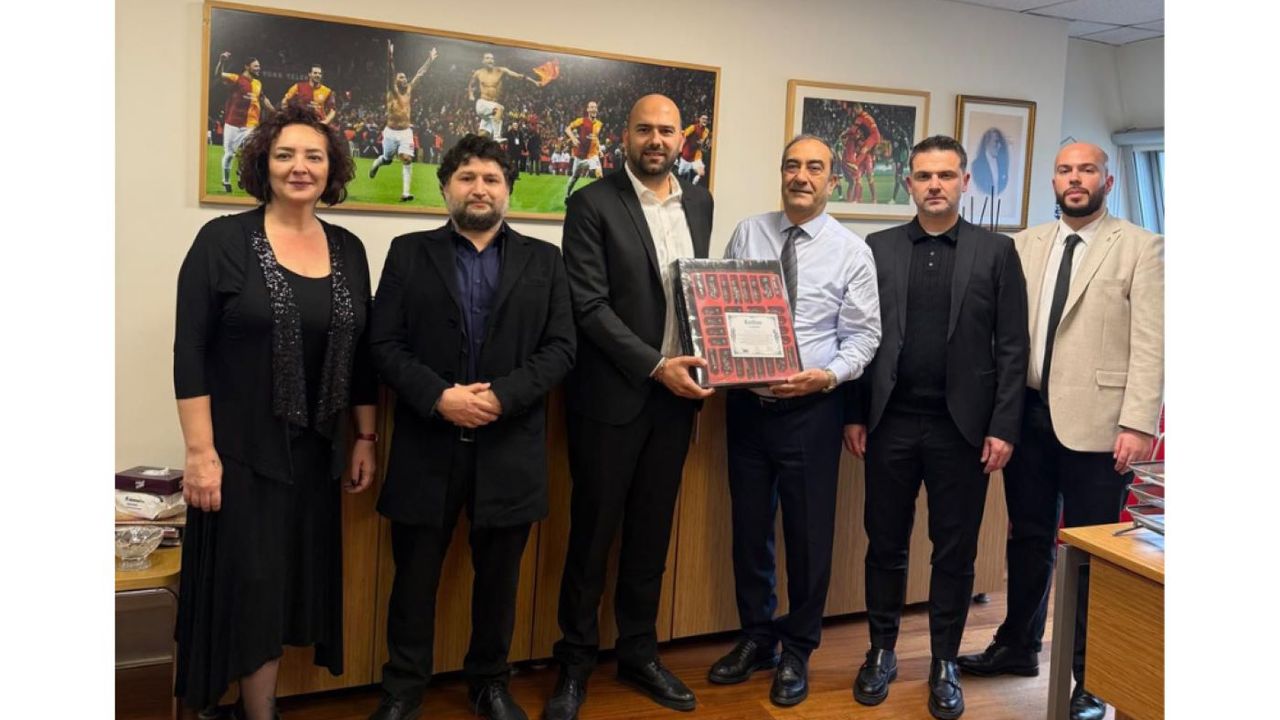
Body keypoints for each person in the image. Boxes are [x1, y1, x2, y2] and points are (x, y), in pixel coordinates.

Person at [173, 102, 377, 720]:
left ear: (331, 168)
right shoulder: (222, 241)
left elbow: (363, 352)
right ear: (263, 163)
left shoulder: (349, 248)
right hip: (240, 456)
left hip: (316, 455)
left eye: (314, 156)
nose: (300, 167)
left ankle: (257, 708)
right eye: (285, 155)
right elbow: (190, 350)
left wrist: (364, 436)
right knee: (252, 591)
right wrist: (199, 453)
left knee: (285, 587)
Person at [365, 134, 575, 720]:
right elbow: (383, 344)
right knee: (413, 581)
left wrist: (502, 398)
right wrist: (440, 397)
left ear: (509, 190)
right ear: (445, 188)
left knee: (499, 583)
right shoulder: (408, 253)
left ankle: (489, 684)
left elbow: (561, 348)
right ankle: (403, 689)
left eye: (490, 179)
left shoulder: (545, 261)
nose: (478, 189)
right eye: (466, 178)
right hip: (427, 446)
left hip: (510, 448)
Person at [957, 142, 1163, 720]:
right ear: (1054, 180)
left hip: (1101, 426)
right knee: (1027, 537)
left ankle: (1092, 677)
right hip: (1027, 415)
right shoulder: (1024, 244)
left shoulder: (1142, 247)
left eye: (1087, 170)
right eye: (1065, 170)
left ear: (1108, 181)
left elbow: (1153, 343)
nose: (1075, 179)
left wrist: (1138, 423)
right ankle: (1018, 646)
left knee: (1091, 550)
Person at [844, 135, 1028, 720]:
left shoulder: (996, 252)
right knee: (885, 544)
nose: (934, 185)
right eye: (924, 176)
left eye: (946, 175)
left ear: (964, 182)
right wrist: (854, 413)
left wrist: (1003, 426)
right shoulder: (878, 248)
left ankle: (945, 659)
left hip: (962, 430)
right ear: (909, 183)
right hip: (891, 422)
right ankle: (881, 650)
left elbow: (1012, 347)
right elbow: (859, 336)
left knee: (954, 550)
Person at [544, 94, 714, 720]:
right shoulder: (591, 203)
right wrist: (654, 365)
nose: (656, 140)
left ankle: (639, 652)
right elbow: (589, 306)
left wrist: (718, 355)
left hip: (678, 401)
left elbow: (703, 291)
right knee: (592, 536)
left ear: (681, 137)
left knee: (651, 533)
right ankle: (574, 662)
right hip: (612, 399)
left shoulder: (700, 201)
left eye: (666, 130)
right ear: (626, 136)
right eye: (645, 129)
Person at [709, 134, 881, 707]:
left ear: (832, 179)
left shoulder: (851, 251)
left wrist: (825, 376)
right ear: (781, 173)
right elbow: (718, 306)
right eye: (791, 166)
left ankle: (798, 649)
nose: (800, 176)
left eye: (814, 168)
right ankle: (758, 637)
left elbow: (864, 338)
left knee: (808, 537)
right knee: (749, 530)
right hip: (747, 406)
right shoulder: (749, 232)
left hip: (811, 410)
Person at [368, 41, 437, 202]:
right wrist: (390, 59)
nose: (404, 79)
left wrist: (430, 59)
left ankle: (405, 193)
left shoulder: (409, 90)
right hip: (390, 132)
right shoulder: (391, 91)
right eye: (401, 77)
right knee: (387, 160)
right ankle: (377, 164)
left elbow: (420, 74)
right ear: (396, 80)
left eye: (405, 77)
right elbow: (390, 73)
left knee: (406, 158)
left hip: (406, 132)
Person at [212, 52, 276, 193]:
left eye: (259, 66)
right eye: (256, 66)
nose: (259, 68)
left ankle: (243, 172)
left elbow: (264, 99)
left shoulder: (258, 84)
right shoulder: (237, 79)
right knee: (229, 154)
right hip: (233, 123)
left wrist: (275, 112)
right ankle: (226, 181)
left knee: (254, 150)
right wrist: (221, 61)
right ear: (247, 67)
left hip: (251, 124)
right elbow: (218, 75)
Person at [468, 52, 538, 141]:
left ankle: (476, 146)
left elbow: (518, 76)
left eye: (492, 58)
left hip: (491, 109)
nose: (490, 60)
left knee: (483, 134)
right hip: (483, 103)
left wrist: (534, 82)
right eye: (487, 58)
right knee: (499, 108)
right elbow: (471, 84)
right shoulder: (478, 73)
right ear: (483, 61)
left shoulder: (500, 70)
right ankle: (497, 137)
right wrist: (471, 94)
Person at [841, 103, 881, 203]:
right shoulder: (866, 119)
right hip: (862, 157)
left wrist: (845, 134)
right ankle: (857, 200)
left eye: (854, 111)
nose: (854, 113)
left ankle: (874, 199)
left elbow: (852, 130)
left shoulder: (860, 119)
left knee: (869, 177)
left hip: (867, 157)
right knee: (858, 179)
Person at [563, 100, 603, 201]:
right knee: (574, 178)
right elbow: (567, 129)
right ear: (588, 109)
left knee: (599, 175)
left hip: (592, 155)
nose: (594, 109)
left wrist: (599, 149)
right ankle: (567, 195)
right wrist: (573, 138)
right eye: (591, 107)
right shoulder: (581, 121)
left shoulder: (599, 124)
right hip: (580, 156)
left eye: (595, 107)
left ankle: (599, 199)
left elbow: (596, 137)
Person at [676, 114, 711, 185]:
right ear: (699, 119)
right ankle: (677, 163)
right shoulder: (693, 127)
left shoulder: (706, 131)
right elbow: (684, 135)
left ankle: (693, 185)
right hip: (687, 156)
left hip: (696, 156)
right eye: (703, 118)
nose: (705, 120)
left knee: (701, 173)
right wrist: (680, 148)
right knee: (680, 173)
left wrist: (705, 144)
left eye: (706, 119)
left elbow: (704, 143)